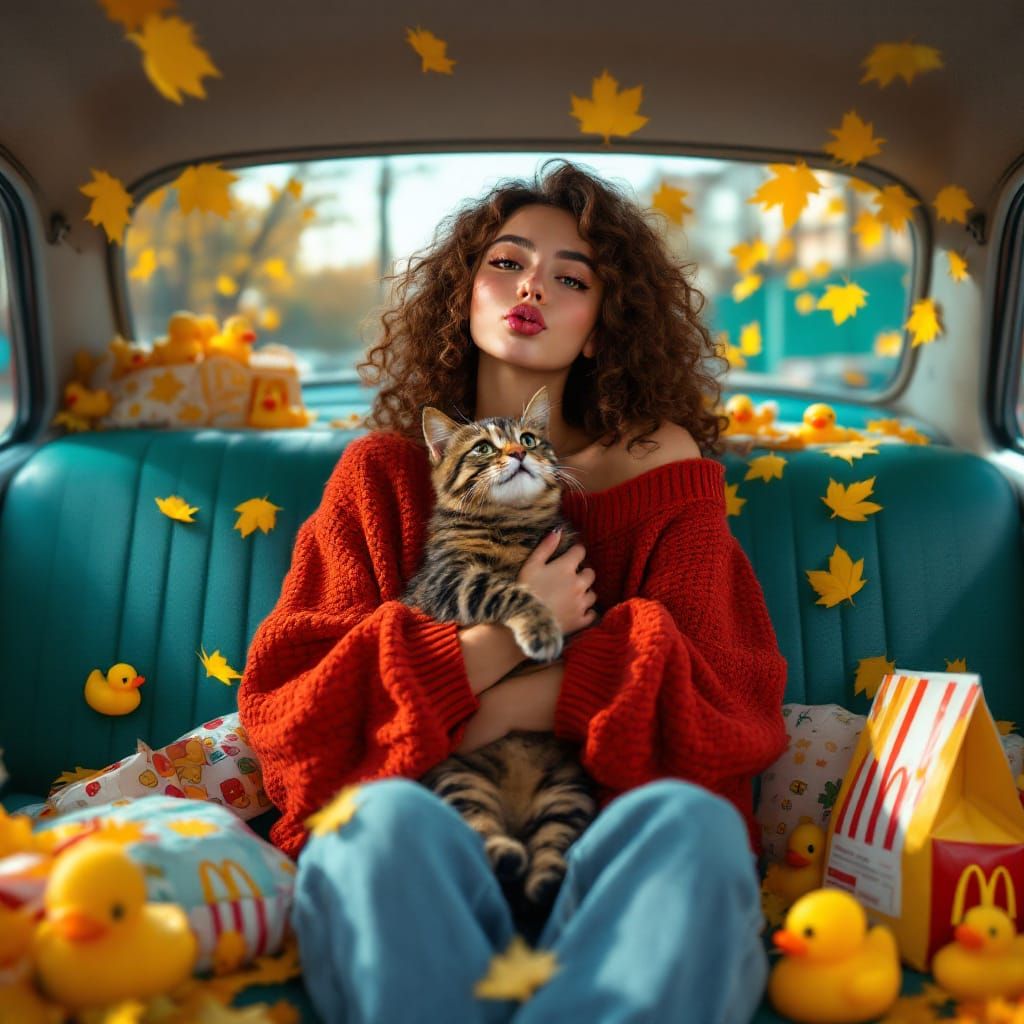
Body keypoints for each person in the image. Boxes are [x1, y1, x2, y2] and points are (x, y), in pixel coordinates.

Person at [239, 159, 788, 1024]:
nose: (533, 283)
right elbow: (290, 713)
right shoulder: (381, 475)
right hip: (428, 843)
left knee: (694, 828)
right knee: (375, 826)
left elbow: (724, 706)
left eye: (572, 277)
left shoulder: (668, 472)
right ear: (464, 293)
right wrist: (501, 652)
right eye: (507, 261)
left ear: (603, 325)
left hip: (608, 849)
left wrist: (467, 704)